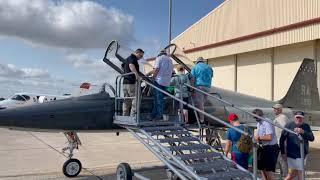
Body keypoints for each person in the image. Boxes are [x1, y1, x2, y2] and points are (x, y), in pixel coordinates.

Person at [280, 111, 314, 180]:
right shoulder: (289, 125)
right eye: (297, 117)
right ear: (294, 118)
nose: (299, 119)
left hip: (302, 154)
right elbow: (282, 139)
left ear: (303, 118)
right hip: (291, 154)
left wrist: (303, 132)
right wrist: (283, 152)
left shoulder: (306, 126)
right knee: (292, 174)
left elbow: (312, 138)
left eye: (300, 118)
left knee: (299, 173)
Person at [253, 108, 279, 180]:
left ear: (260, 115)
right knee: (262, 169)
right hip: (263, 147)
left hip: (270, 148)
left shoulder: (266, 122)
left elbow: (269, 137)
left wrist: (258, 137)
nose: (255, 119)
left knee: (269, 171)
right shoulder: (259, 123)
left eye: (256, 117)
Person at [150, 50, 173, 120]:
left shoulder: (159, 58)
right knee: (160, 99)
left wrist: (153, 78)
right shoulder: (170, 60)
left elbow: (156, 69)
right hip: (166, 82)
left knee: (158, 99)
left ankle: (159, 115)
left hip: (159, 81)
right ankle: (153, 114)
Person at [122, 48, 144, 116]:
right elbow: (131, 65)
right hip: (131, 82)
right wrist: (137, 76)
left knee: (127, 100)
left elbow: (122, 66)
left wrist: (126, 73)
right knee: (136, 98)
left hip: (125, 82)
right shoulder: (133, 58)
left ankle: (125, 115)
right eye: (141, 56)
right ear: (138, 53)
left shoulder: (127, 58)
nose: (141, 57)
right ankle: (133, 116)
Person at [191, 57, 213, 123]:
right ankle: (202, 119)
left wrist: (191, 88)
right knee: (203, 104)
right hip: (208, 87)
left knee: (199, 104)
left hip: (199, 87)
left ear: (197, 62)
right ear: (203, 61)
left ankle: (201, 120)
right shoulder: (209, 67)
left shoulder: (195, 67)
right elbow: (211, 76)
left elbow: (192, 78)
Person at [272, 103, 290, 177]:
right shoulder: (277, 118)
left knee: (282, 159)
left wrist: (283, 142)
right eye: (274, 109)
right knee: (279, 160)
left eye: (276, 109)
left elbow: (284, 129)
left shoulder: (282, 117)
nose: (274, 110)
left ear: (280, 110)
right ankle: (282, 175)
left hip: (281, 142)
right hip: (277, 141)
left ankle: (285, 175)